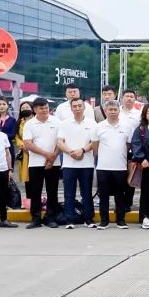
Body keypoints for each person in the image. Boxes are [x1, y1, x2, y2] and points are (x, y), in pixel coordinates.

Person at [56, 98, 98, 229]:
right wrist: (71, 152)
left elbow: (94, 141)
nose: (77, 108)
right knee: (69, 193)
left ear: (84, 107)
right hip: (69, 164)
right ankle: (69, 219)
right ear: (71, 108)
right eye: (74, 106)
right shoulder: (64, 123)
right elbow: (59, 142)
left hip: (87, 163)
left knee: (86, 192)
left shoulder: (92, 123)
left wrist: (82, 150)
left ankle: (89, 219)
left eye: (80, 106)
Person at [23, 98, 62, 229]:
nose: (45, 110)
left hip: (54, 163)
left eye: (46, 107)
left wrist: (52, 157)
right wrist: (46, 155)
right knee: (35, 192)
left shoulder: (56, 121)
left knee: (53, 192)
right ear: (34, 110)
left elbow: (60, 141)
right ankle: (36, 218)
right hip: (35, 163)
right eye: (41, 108)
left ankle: (50, 217)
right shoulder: (30, 124)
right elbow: (27, 143)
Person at [93, 100, 132, 229]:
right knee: (103, 195)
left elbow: (128, 145)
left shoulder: (126, 126)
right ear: (106, 111)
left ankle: (120, 220)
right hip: (103, 167)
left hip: (120, 167)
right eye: (110, 109)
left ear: (119, 111)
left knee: (120, 195)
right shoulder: (99, 126)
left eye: (115, 109)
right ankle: (104, 221)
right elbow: (95, 146)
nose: (113, 112)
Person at [0, 97, 18, 164]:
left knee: (8, 169)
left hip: (8, 147)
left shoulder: (12, 120)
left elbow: (13, 135)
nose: (2, 106)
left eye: (4, 104)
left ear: (7, 106)